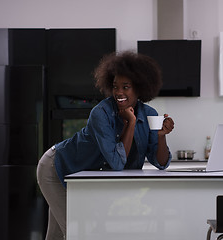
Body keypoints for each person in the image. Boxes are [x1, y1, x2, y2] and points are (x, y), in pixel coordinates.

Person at [36, 50, 174, 240]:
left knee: (58, 235)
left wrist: (160, 136)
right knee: (75, 231)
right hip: (56, 167)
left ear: (140, 88)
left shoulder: (149, 113)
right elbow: (117, 164)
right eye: (116, 86)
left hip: (77, 174)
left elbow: (160, 163)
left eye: (126, 87)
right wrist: (130, 123)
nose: (119, 92)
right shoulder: (101, 112)